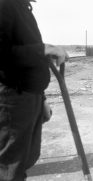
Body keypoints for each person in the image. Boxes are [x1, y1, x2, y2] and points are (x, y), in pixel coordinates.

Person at [0, 0, 68, 180]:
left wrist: (42, 98)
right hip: (12, 97)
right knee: (10, 168)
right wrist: (43, 49)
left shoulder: (20, 6)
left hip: (28, 95)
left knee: (25, 159)